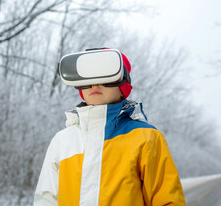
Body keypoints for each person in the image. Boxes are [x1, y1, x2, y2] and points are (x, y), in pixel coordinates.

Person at [34, 48, 186, 206]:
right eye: (88, 76)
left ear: (123, 84)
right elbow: (46, 199)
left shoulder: (147, 138)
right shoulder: (62, 141)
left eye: (106, 75)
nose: (95, 83)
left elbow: (167, 200)